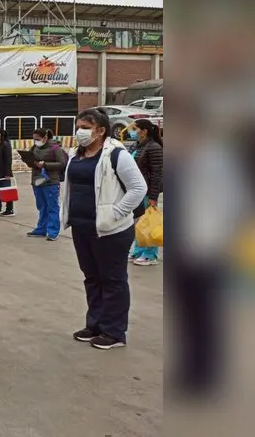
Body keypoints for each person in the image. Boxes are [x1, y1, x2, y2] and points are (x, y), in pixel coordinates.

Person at [62, 108, 147, 350]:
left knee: (112, 280)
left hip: (111, 230)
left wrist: (116, 213)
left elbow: (138, 188)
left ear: (100, 130)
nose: (80, 132)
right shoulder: (76, 154)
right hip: (82, 227)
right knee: (92, 278)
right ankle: (95, 324)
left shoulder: (116, 154)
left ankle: (114, 331)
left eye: (86, 128)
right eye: (78, 127)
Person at [127, 119, 164, 266]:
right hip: (136, 190)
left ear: (144, 131)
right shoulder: (138, 146)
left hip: (147, 190)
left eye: (135, 129)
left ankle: (150, 254)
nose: (133, 132)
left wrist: (153, 197)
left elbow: (157, 173)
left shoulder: (154, 147)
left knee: (149, 222)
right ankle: (138, 250)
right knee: (139, 222)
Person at [26, 128, 68, 241]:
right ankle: (41, 229)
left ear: (45, 138)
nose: (35, 141)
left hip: (50, 182)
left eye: (37, 139)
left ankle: (53, 231)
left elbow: (62, 163)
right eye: (34, 139)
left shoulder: (55, 148)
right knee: (42, 206)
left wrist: (45, 165)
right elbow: (31, 160)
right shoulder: (34, 148)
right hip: (37, 180)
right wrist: (29, 161)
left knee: (52, 207)